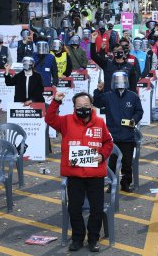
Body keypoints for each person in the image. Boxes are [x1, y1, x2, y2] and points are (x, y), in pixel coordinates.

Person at [45, 91, 113, 253]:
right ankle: (77, 238)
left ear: (91, 106)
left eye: (86, 106)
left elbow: (108, 142)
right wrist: (56, 102)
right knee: (74, 208)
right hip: (75, 174)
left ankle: (93, 239)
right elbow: (49, 119)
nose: (83, 109)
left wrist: (102, 155)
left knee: (96, 209)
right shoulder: (66, 121)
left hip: (95, 175)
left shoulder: (99, 123)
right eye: (79, 106)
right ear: (74, 107)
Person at [93, 72, 143, 192]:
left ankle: (125, 183)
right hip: (112, 135)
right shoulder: (108, 95)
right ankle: (111, 184)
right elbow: (97, 103)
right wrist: (98, 91)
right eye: (117, 80)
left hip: (127, 136)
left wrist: (133, 120)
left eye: (122, 79)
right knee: (111, 162)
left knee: (127, 162)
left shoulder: (133, 96)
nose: (120, 82)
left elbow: (139, 111)